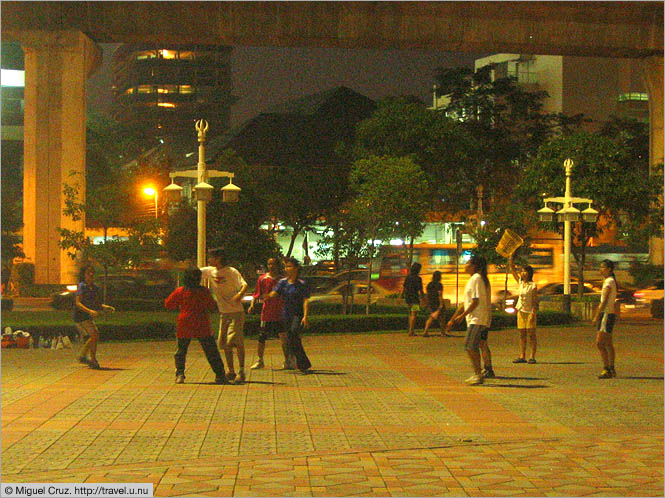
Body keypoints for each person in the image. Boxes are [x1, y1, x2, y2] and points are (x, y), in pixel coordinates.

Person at [165, 267, 229, 384]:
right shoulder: (204, 291)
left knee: (181, 350)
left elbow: (168, 304)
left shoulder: (181, 291)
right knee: (211, 350)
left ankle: (180, 374)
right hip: (201, 322)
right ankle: (220, 375)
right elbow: (212, 305)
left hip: (185, 322)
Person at [201, 247, 248, 384]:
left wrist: (239, 295)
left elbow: (244, 285)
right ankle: (231, 370)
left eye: (211, 257)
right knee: (224, 343)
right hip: (224, 313)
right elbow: (195, 272)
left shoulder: (231, 272)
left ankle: (241, 370)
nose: (209, 260)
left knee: (235, 341)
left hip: (236, 312)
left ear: (219, 258)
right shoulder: (210, 271)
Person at [446, 255, 494, 385]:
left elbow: (475, 301)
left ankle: (478, 374)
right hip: (475, 318)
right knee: (471, 346)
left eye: (467, 263)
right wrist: (455, 317)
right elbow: (466, 302)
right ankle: (478, 373)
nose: (465, 266)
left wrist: (462, 316)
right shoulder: (474, 279)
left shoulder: (476, 278)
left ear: (474, 266)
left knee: (470, 346)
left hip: (477, 318)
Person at [267, 257, 312, 373]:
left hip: (297, 313)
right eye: (286, 266)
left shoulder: (302, 283)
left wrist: (305, 316)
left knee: (293, 333)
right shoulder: (283, 282)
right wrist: (268, 295)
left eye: (290, 266)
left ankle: (302, 362)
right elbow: (275, 292)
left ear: (296, 268)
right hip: (286, 314)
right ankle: (302, 363)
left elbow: (306, 300)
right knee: (292, 338)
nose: (288, 269)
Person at [248, 257, 292, 370]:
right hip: (267, 312)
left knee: (283, 336)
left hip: (280, 312)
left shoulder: (283, 280)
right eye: (269, 264)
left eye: (273, 264)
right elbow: (257, 294)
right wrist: (252, 304)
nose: (271, 266)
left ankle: (288, 360)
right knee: (262, 336)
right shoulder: (262, 279)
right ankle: (260, 360)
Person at [74, 265, 115, 370]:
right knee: (94, 334)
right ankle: (92, 359)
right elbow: (78, 303)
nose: (91, 275)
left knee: (94, 335)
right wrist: (89, 311)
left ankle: (83, 356)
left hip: (88, 316)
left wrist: (106, 307)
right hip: (80, 316)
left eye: (92, 272)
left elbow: (97, 303)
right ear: (84, 275)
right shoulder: (82, 286)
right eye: (88, 273)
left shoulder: (95, 288)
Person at [508, 254, 538, 364]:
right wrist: (511, 259)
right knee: (522, 334)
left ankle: (532, 356)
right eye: (522, 271)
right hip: (521, 310)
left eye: (525, 271)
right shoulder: (521, 283)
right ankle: (522, 355)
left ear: (530, 273)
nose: (522, 273)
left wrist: (533, 313)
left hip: (529, 311)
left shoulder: (533, 285)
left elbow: (535, 300)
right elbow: (512, 270)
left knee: (531, 334)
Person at [592, 259, 619, 379]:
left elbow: (604, 301)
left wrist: (596, 316)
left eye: (603, 267)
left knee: (600, 343)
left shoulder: (609, 282)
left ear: (609, 269)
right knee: (608, 343)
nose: (600, 269)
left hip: (606, 314)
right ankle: (611, 368)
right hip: (608, 314)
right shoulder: (608, 281)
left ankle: (607, 368)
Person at [402, 262, 425, 336]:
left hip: (408, 297)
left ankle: (410, 330)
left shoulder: (408, 277)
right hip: (415, 298)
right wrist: (423, 298)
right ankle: (411, 331)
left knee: (410, 314)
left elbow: (404, 287)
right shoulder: (418, 279)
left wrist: (401, 296)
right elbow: (420, 290)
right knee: (414, 314)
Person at [423, 270, 447, 337]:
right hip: (437, 302)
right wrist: (441, 304)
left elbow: (427, 294)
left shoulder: (429, 285)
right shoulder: (439, 285)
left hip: (431, 302)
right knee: (442, 318)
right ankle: (442, 332)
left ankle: (426, 330)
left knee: (431, 317)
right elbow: (440, 294)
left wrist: (426, 303)